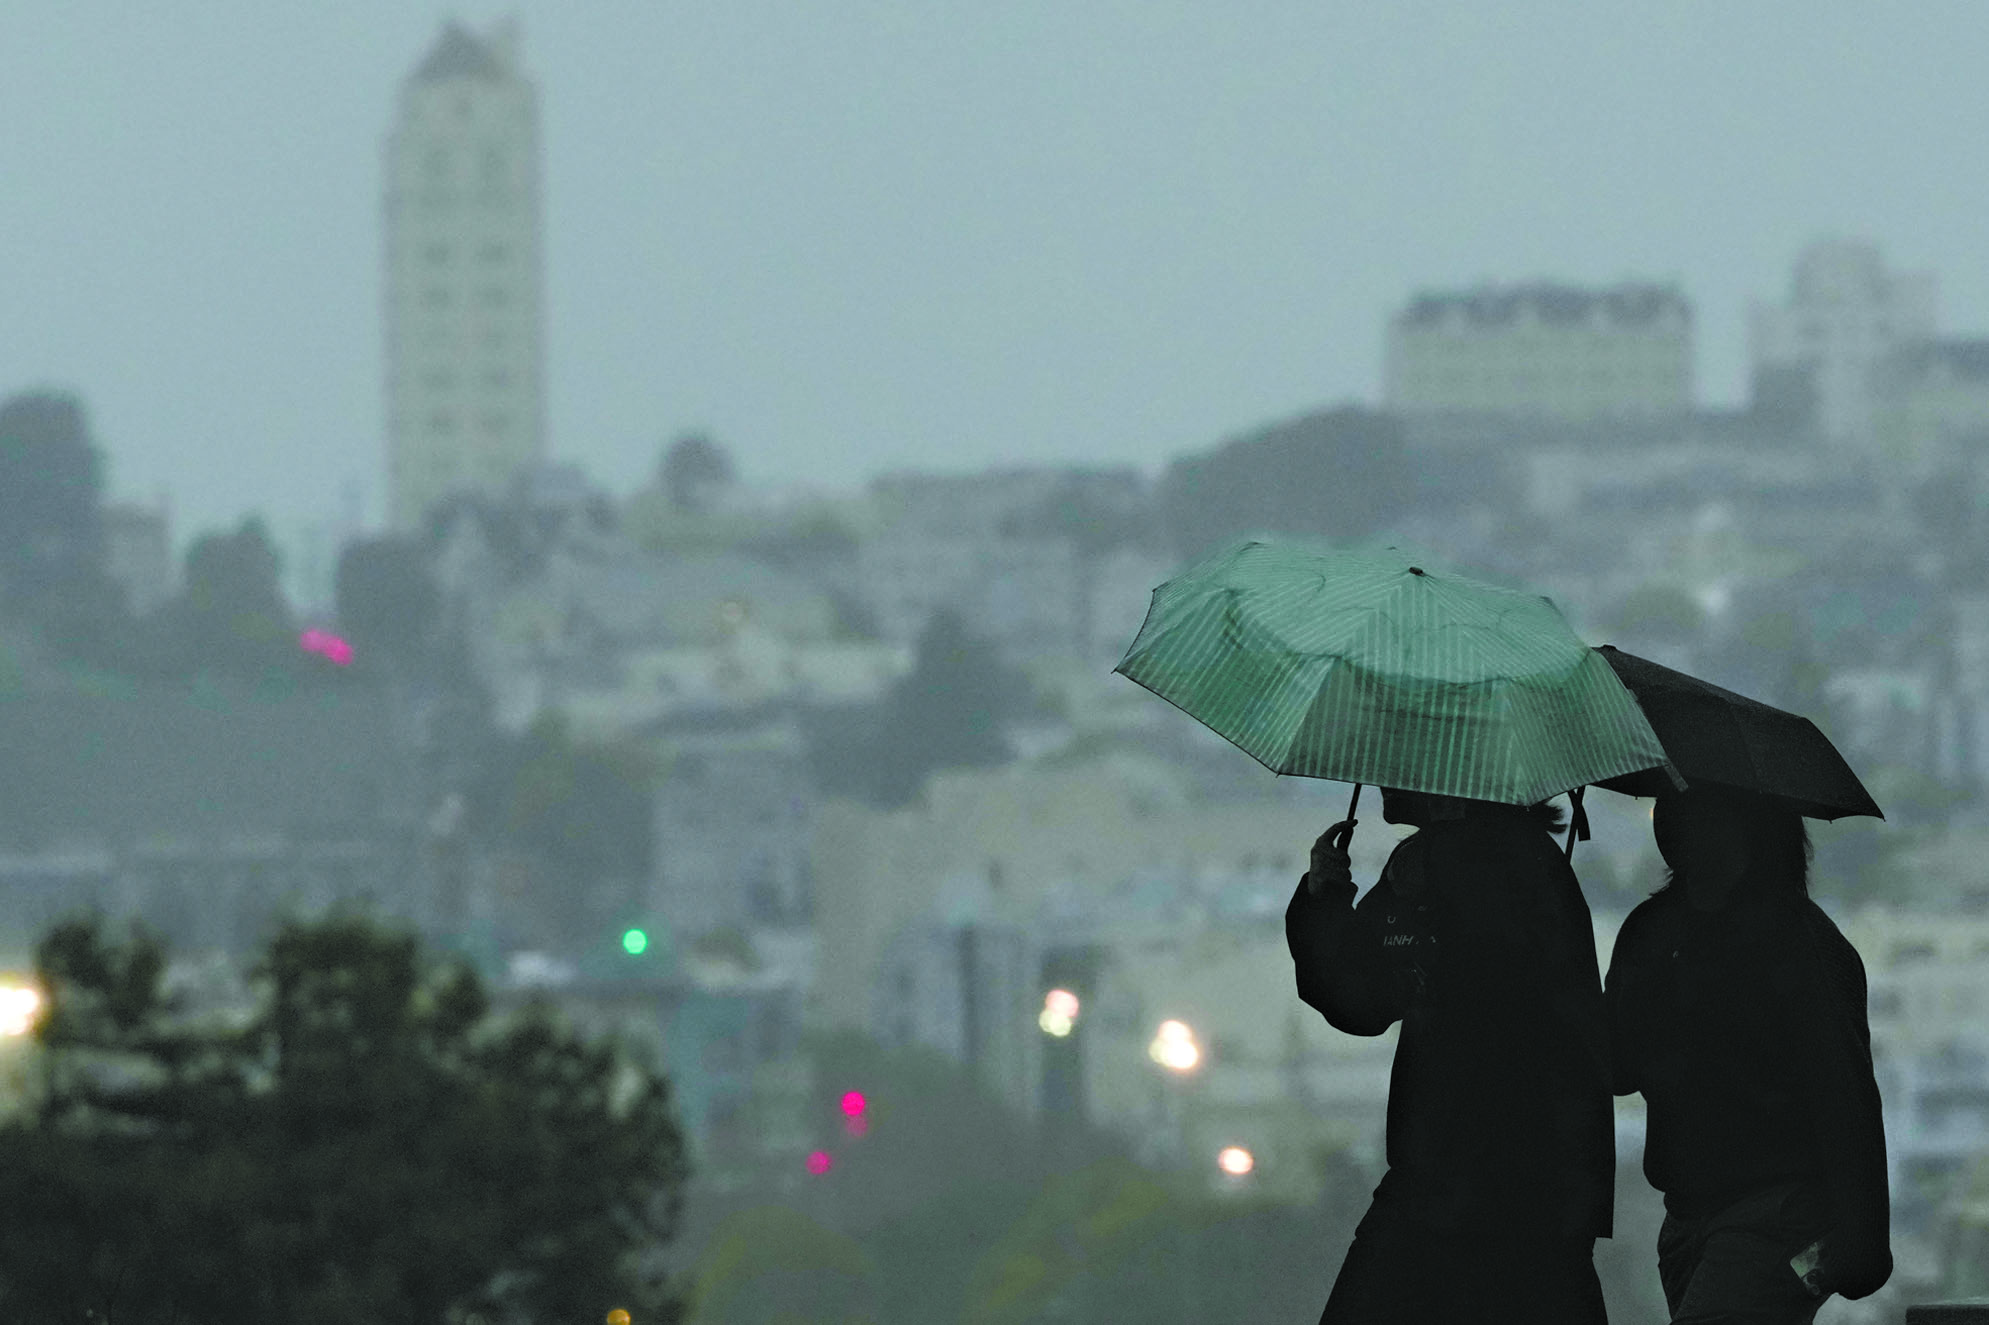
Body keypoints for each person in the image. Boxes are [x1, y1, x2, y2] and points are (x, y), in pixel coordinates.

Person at [1287, 785, 1614, 1325]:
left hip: (1452, 1174)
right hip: (1552, 1177)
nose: (1384, 777)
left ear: (1443, 773)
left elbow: (1362, 998)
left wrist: (1324, 899)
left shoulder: (1435, 860)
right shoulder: (1536, 861)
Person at [1605, 785, 1891, 1323]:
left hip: (1779, 1212)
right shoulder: (1651, 932)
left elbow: (1845, 1097)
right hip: (1687, 1216)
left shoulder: (1799, 944)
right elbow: (1617, 1069)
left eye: (1690, 804)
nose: (1669, 818)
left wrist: (1865, 1237)